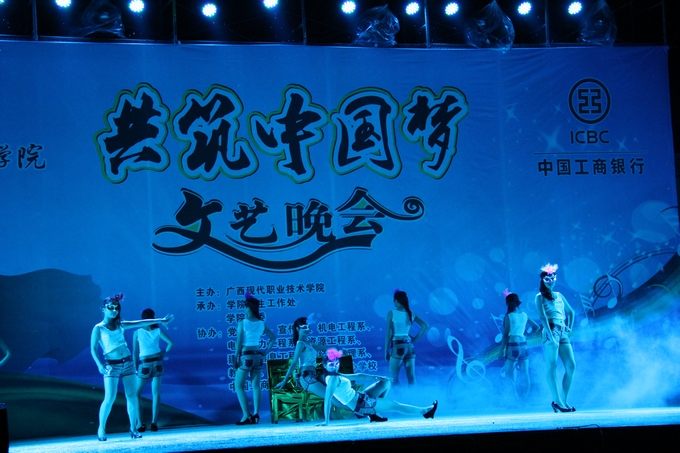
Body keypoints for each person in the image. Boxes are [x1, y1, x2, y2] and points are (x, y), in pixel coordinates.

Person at [90, 293, 174, 441]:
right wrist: (99, 365)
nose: (114, 310)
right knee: (109, 397)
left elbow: (140, 323)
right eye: (111, 307)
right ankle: (101, 429)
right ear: (103, 309)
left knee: (132, 396)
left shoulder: (120, 324)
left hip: (128, 362)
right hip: (111, 365)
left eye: (116, 308)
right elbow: (93, 348)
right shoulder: (99, 328)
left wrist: (161, 320)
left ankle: (133, 428)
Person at [317, 348, 438, 426]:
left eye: (336, 364)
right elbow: (327, 399)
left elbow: (358, 375)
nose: (334, 366)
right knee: (394, 404)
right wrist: (326, 422)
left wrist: (378, 377)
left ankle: (374, 413)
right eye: (331, 364)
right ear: (325, 366)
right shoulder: (332, 379)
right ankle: (425, 412)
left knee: (385, 383)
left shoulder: (335, 375)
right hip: (361, 405)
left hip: (361, 397)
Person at [274, 317, 353, 412]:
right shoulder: (300, 344)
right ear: (297, 329)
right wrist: (284, 381)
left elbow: (326, 348)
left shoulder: (309, 344)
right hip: (306, 378)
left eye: (308, 327)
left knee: (336, 387)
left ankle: (359, 408)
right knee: (331, 397)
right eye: (304, 327)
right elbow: (294, 362)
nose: (307, 329)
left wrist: (340, 350)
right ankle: (358, 411)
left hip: (315, 375)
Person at [534, 264, 577, 413]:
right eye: (547, 279)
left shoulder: (559, 295)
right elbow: (542, 317)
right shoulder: (539, 297)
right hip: (550, 330)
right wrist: (551, 335)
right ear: (542, 280)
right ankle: (557, 401)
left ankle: (562, 400)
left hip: (562, 331)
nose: (551, 281)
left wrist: (569, 327)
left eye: (553, 278)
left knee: (571, 366)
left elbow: (571, 312)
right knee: (552, 365)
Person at [234, 292, 276, 425]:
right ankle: (256, 414)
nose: (243, 308)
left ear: (248, 308)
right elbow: (273, 338)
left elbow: (239, 342)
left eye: (245, 306)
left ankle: (246, 415)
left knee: (238, 385)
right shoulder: (261, 323)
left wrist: (236, 356)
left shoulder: (243, 323)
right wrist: (265, 352)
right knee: (256, 386)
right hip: (258, 355)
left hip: (246, 355)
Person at [133, 308, 175, 433]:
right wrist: (163, 353)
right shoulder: (158, 330)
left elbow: (135, 353)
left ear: (142, 318)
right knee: (156, 393)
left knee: (136, 394)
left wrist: (135, 368)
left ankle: (140, 423)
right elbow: (171, 343)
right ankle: (154, 423)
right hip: (157, 363)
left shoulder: (137, 332)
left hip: (144, 364)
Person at [498, 289, 540, 404]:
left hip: (513, 345)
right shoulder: (524, 315)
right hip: (523, 344)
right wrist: (528, 337)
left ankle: (516, 399)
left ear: (508, 303)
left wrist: (501, 351)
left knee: (508, 374)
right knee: (525, 373)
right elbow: (536, 327)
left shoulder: (509, 316)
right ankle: (524, 400)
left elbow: (505, 335)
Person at [384, 290, 429, 386]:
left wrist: (385, 351)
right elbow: (425, 326)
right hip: (409, 346)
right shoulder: (411, 313)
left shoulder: (391, 313)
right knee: (411, 377)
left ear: (396, 300)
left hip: (397, 345)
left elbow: (388, 333)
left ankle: (400, 395)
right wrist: (415, 339)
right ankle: (413, 395)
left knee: (393, 378)